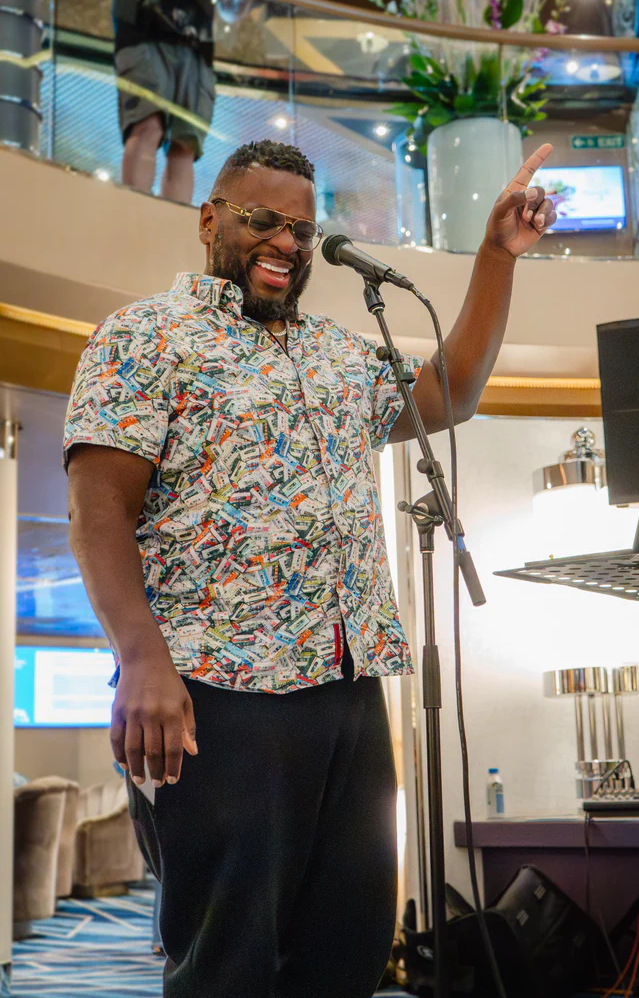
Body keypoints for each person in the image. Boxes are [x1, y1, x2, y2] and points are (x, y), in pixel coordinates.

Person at [64, 139, 557, 997]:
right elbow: (97, 515)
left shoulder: (337, 352)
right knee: (229, 960)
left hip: (349, 685)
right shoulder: (143, 338)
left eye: (302, 227)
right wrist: (141, 660)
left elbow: (455, 390)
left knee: (348, 949)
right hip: (215, 691)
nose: (288, 243)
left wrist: (493, 256)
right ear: (210, 218)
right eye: (263, 220)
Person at [113, 0, 263, 202]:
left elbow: (229, 10)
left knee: (185, 144)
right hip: (142, 31)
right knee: (147, 126)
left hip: (196, 48)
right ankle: (133, 215)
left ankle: (169, 228)